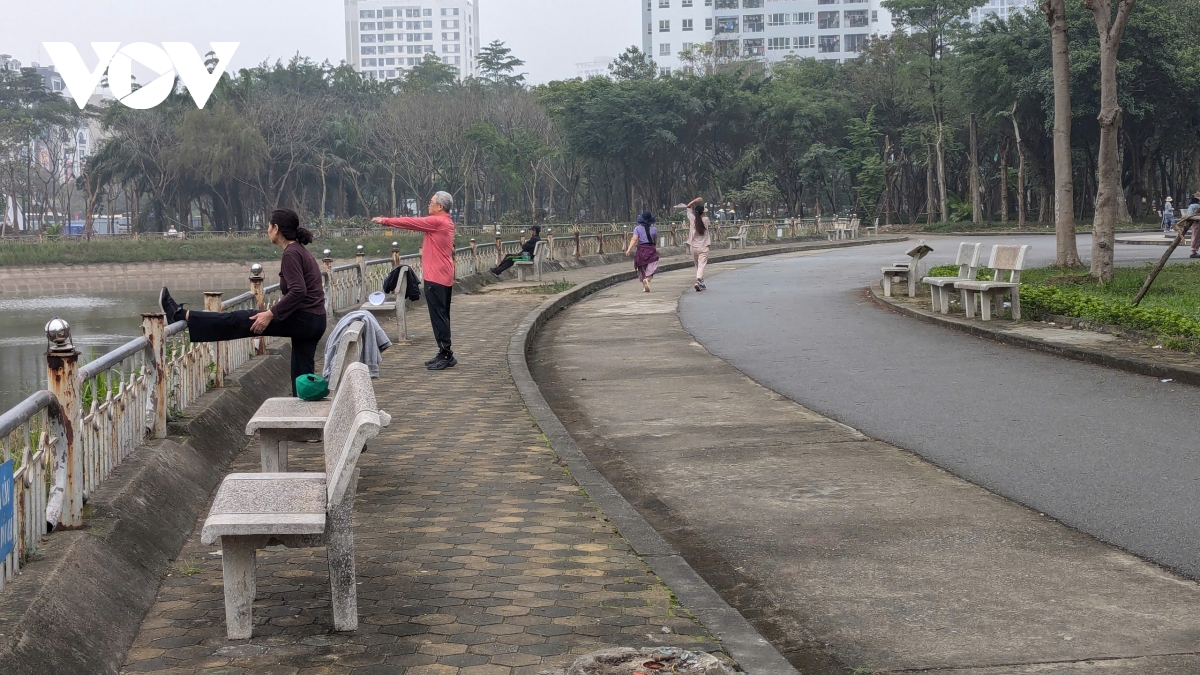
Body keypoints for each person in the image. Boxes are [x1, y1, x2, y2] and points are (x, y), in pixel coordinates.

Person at [158, 208, 326, 395]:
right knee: (302, 374)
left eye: (269, 225)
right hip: (315, 320)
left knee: (239, 319)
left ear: (276, 228)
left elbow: (298, 291)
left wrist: (269, 315)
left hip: (305, 319)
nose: (267, 229)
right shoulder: (300, 251)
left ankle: (180, 315)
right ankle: (303, 411)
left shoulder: (291, 253)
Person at [373, 192, 457, 371]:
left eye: (431, 202)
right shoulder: (446, 222)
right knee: (441, 315)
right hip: (443, 275)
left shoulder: (438, 222)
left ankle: (447, 353)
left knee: (438, 316)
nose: (429, 204)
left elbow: (411, 222)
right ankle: (443, 352)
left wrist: (385, 221)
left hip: (436, 277)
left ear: (440, 207)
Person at [625, 211, 659, 293]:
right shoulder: (654, 229)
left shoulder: (637, 228)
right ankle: (647, 280)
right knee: (652, 267)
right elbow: (655, 241)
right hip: (650, 249)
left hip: (641, 250)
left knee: (642, 268)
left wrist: (629, 249)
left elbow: (634, 239)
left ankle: (644, 282)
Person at [685, 197, 711, 292]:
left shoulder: (692, 219)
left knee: (697, 265)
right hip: (704, 247)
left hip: (693, 247)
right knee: (701, 265)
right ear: (703, 212)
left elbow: (688, 207)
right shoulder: (706, 219)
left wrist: (694, 201)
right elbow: (703, 219)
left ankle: (701, 283)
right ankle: (699, 280)